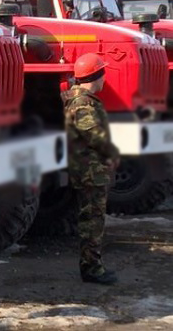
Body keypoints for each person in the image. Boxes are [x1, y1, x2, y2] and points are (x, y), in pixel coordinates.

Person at [62, 53, 120, 285]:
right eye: (103, 73)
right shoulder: (83, 103)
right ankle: (92, 269)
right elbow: (93, 134)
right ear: (95, 76)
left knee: (91, 218)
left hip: (88, 169)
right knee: (93, 220)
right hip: (90, 172)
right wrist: (112, 152)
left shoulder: (78, 99)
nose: (105, 79)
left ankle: (92, 265)